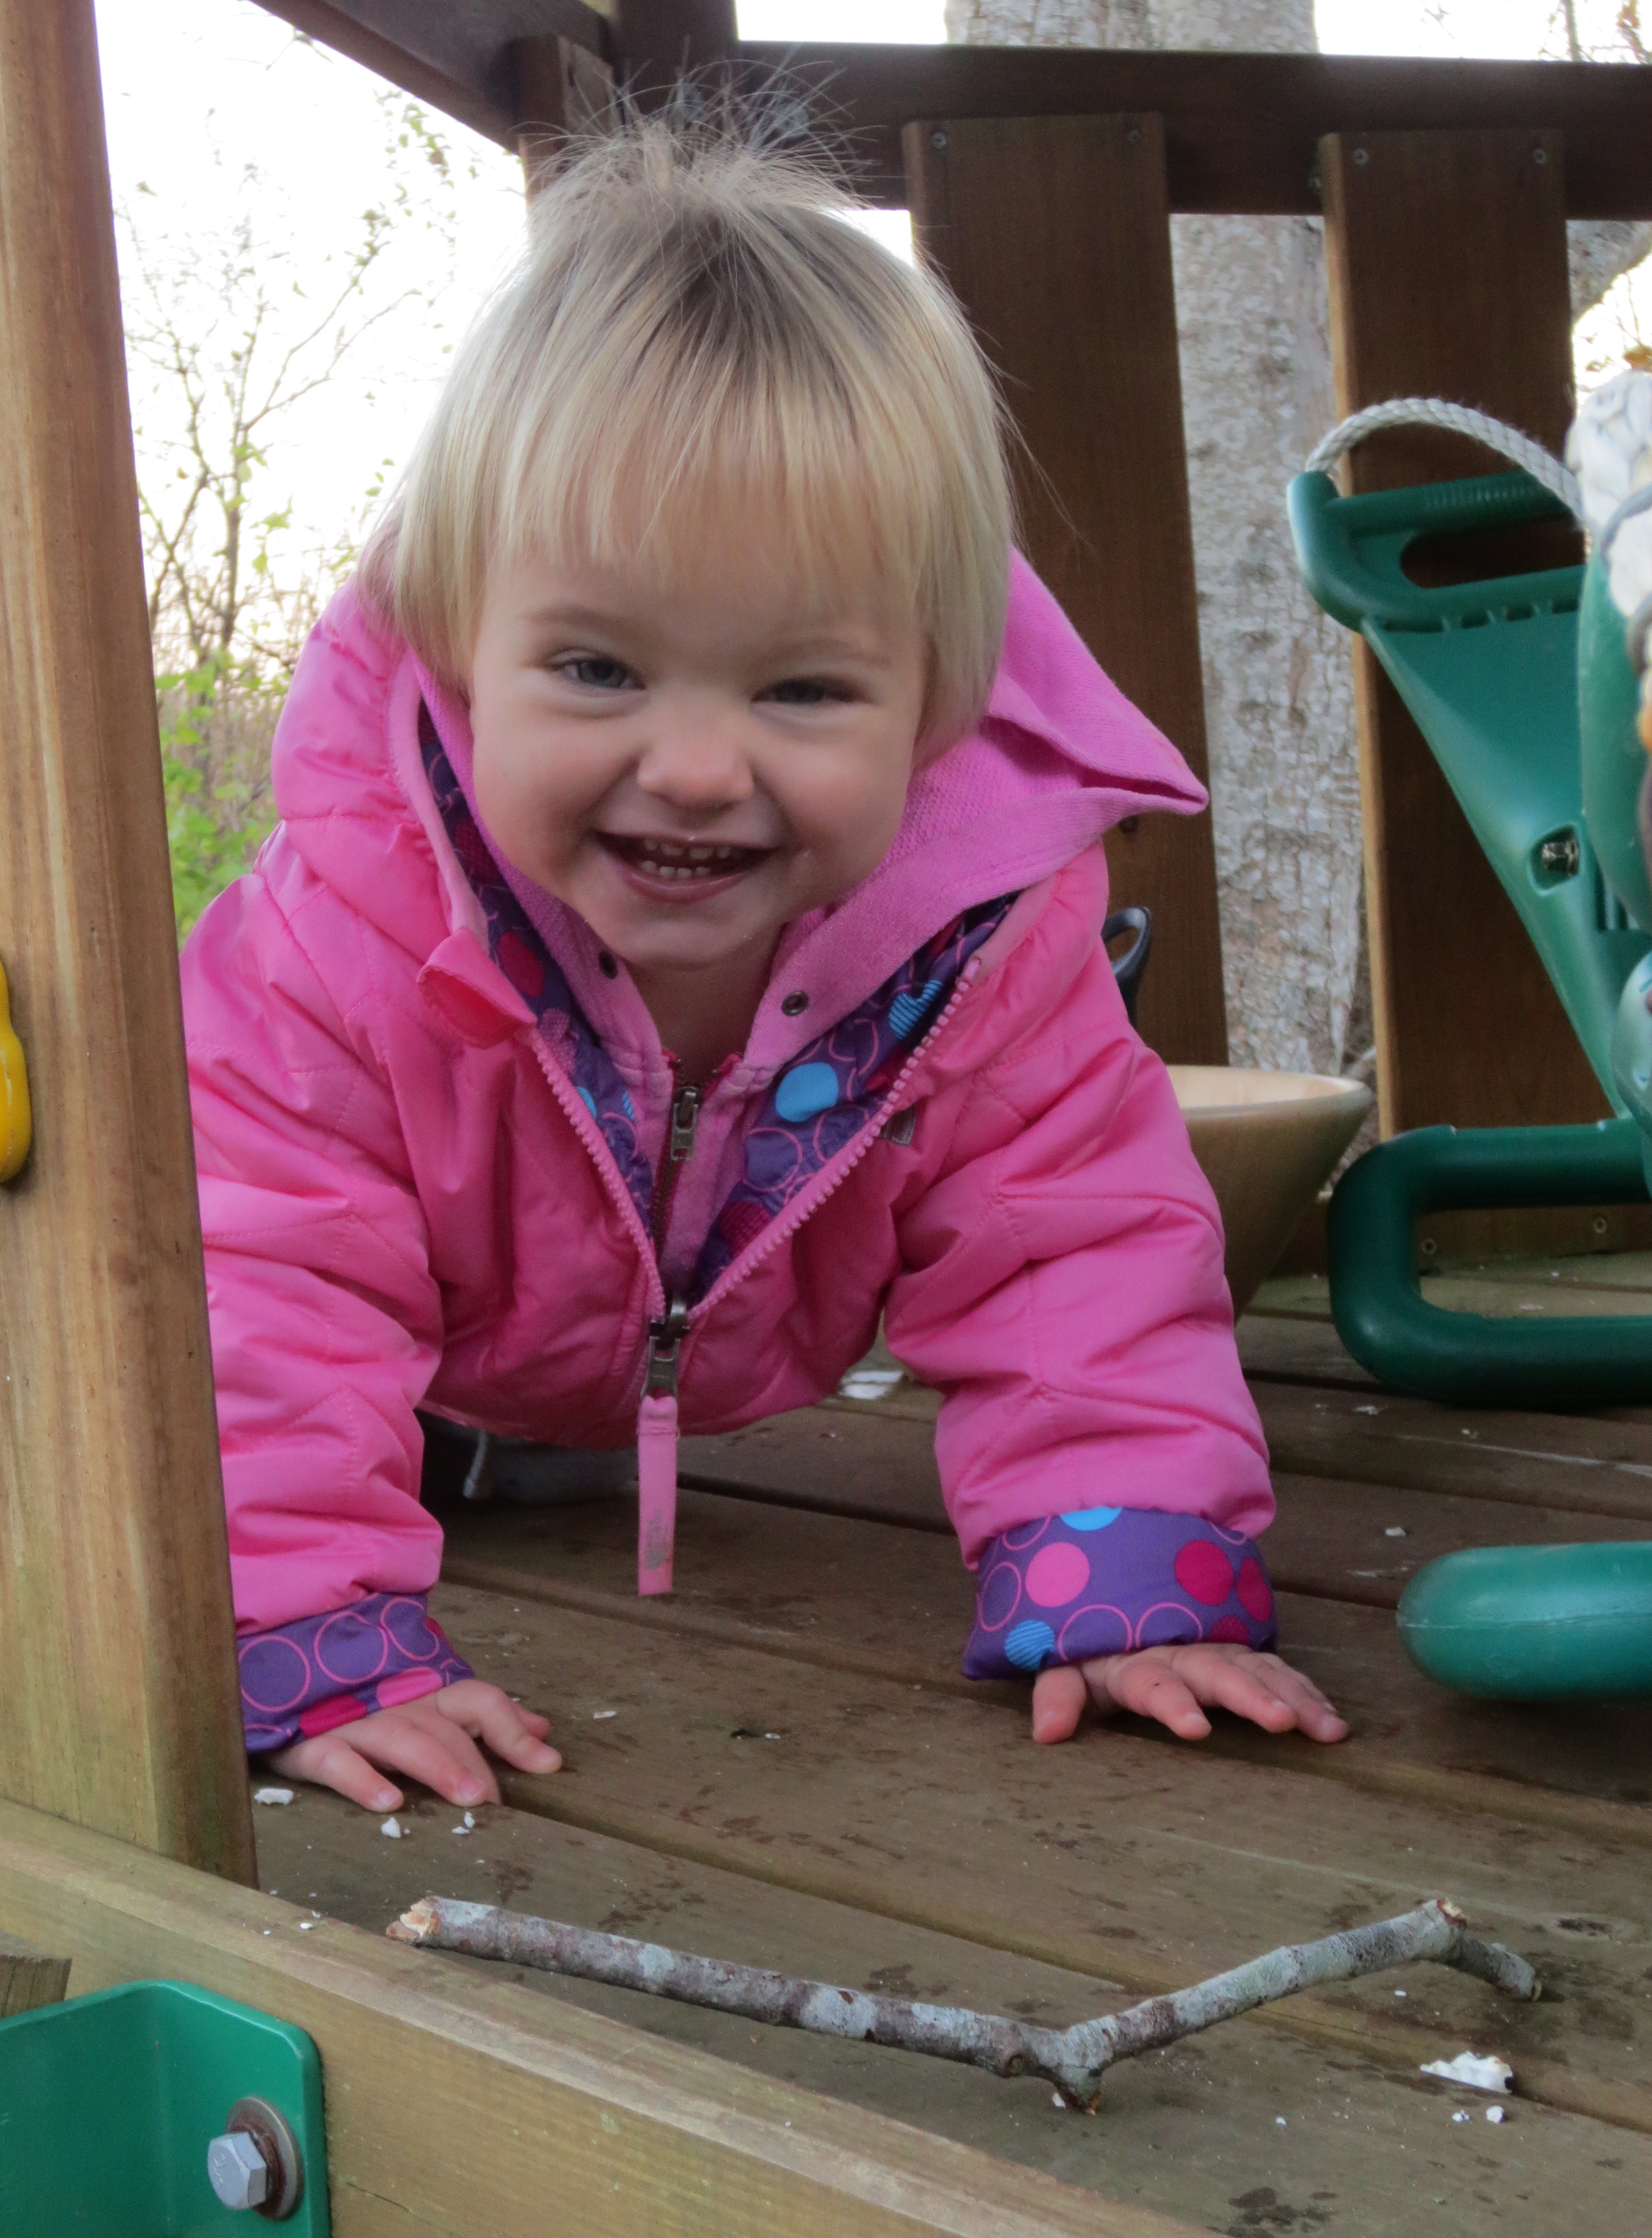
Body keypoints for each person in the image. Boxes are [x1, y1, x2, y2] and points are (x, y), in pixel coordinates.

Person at [181, 115, 1347, 1817]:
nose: (697, 768)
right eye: (597, 669)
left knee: (518, 1469)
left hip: (571, 1384)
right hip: (383, 1356)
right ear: (454, 650)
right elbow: (260, 1279)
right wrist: (295, 1622)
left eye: (802, 690)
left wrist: (1123, 1566)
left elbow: (1070, 1242)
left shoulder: (980, 948)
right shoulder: (338, 942)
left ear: (939, 706)